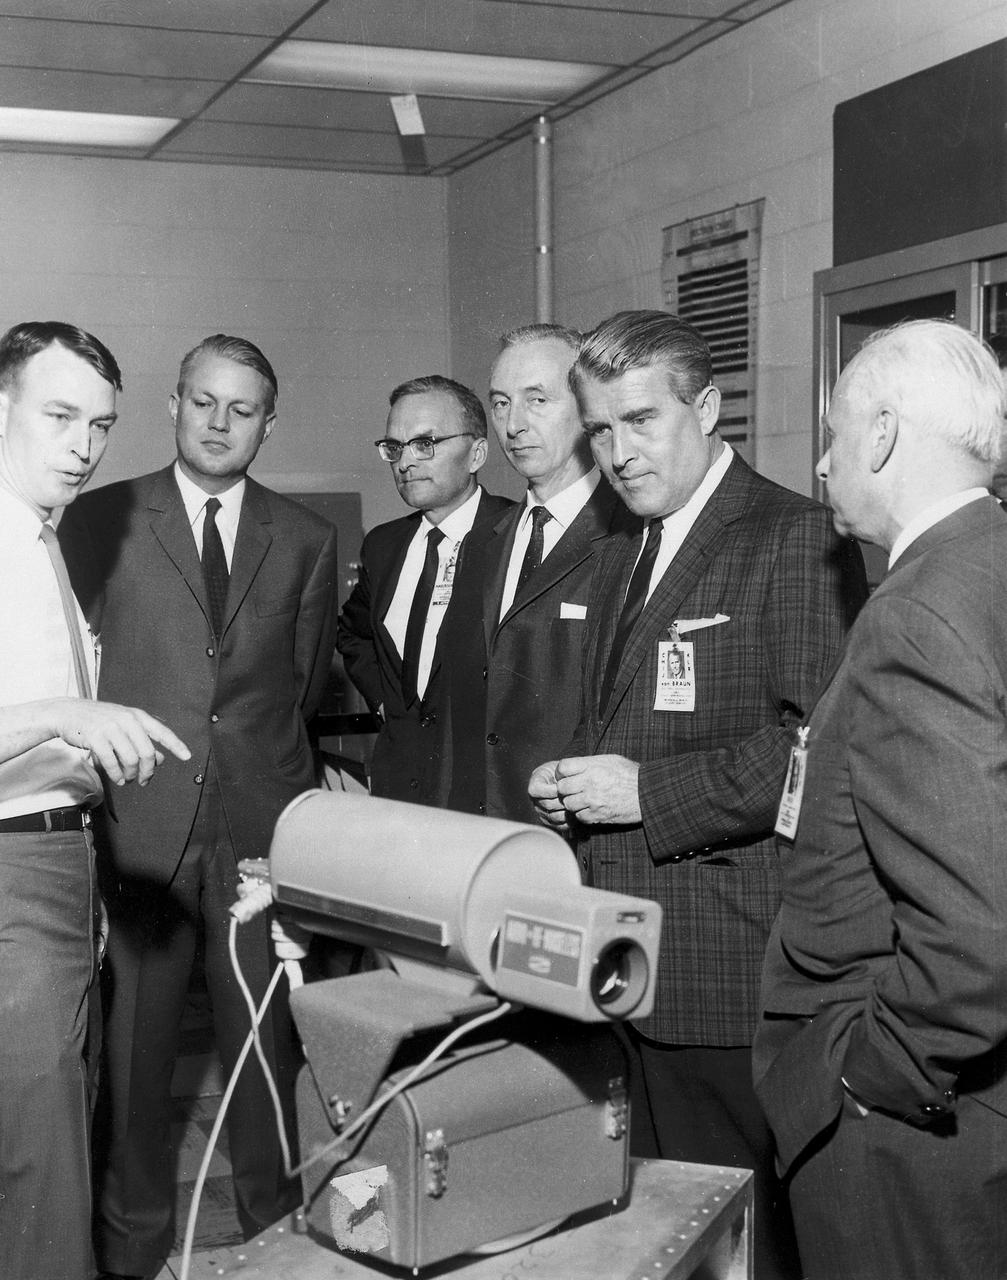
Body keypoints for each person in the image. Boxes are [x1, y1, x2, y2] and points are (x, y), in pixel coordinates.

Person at [529, 310, 867, 1280]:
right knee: (664, 1228)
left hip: (727, 963)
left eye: (640, 420)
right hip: (628, 955)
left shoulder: (791, 535)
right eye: (598, 429)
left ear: (708, 407)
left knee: (734, 1236)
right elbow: (634, 720)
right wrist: (572, 785)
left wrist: (646, 791)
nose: (618, 451)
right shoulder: (625, 543)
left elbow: (817, 746)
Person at [58, 333, 338, 1280]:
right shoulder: (98, 519)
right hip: (139, 831)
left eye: (243, 409)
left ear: (268, 422)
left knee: (265, 1052)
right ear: (174, 404)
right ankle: (132, 1251)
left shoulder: (302, 537)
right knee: (132, 1066)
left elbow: (297, 691)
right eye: (204, 402)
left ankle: (276, 1237)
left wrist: (269, 798)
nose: (220, 423)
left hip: (258, 836)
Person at [754, 319, 1007, 1280]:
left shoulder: (914, 613)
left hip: (908, 1129)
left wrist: (867, 1078)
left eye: (833, 434)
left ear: (883, 435)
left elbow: (971, 937)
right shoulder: (984, 565)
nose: (821, 464)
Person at [0, 320, 190, 1280]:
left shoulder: (40, 541)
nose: (84, 443)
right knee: (40, 1164)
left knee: (58, 1140)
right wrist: (66, 711)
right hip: (11, 871)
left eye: (102, 424)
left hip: (64, 863)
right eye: (61, 415)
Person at [446, 323, 631, 820]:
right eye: (502, 403)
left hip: (576, 833)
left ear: (588, 408)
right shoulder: (484, 539)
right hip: (485, 829)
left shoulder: (630, 535)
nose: (513, 425)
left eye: (537, 400)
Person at [337, 375, 512, 804]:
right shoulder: (384, 545)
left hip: (485, 795)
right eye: (395, 448)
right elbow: (353, 633)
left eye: (425, 444)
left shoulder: (517, 534)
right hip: (401, 789)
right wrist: (384, 702)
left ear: (477, 454)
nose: (405, 462)